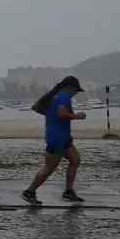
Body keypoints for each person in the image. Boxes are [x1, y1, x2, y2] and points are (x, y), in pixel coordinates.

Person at [23, 75, 86, 205]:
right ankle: (29, 192)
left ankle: (68, 192)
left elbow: (47, 112)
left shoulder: (54, 97)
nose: (75, 93)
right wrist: (77, 116)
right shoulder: (63, 96)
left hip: (64, 138)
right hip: (56, 139)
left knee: (75, 160)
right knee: (49, 168)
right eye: (75, 90)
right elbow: (61, 114)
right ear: (70, 87)